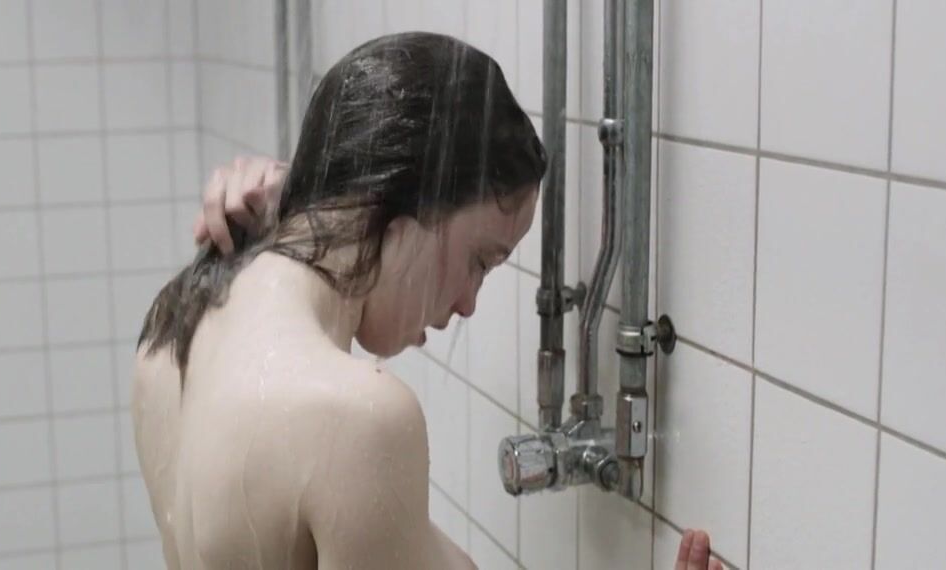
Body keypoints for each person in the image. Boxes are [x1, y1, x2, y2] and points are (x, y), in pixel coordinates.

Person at [134, 31, 722, 570]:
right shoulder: (357, 418)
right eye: (480, 260)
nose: (468, 303)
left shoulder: (170, 333)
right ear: (404, 206)